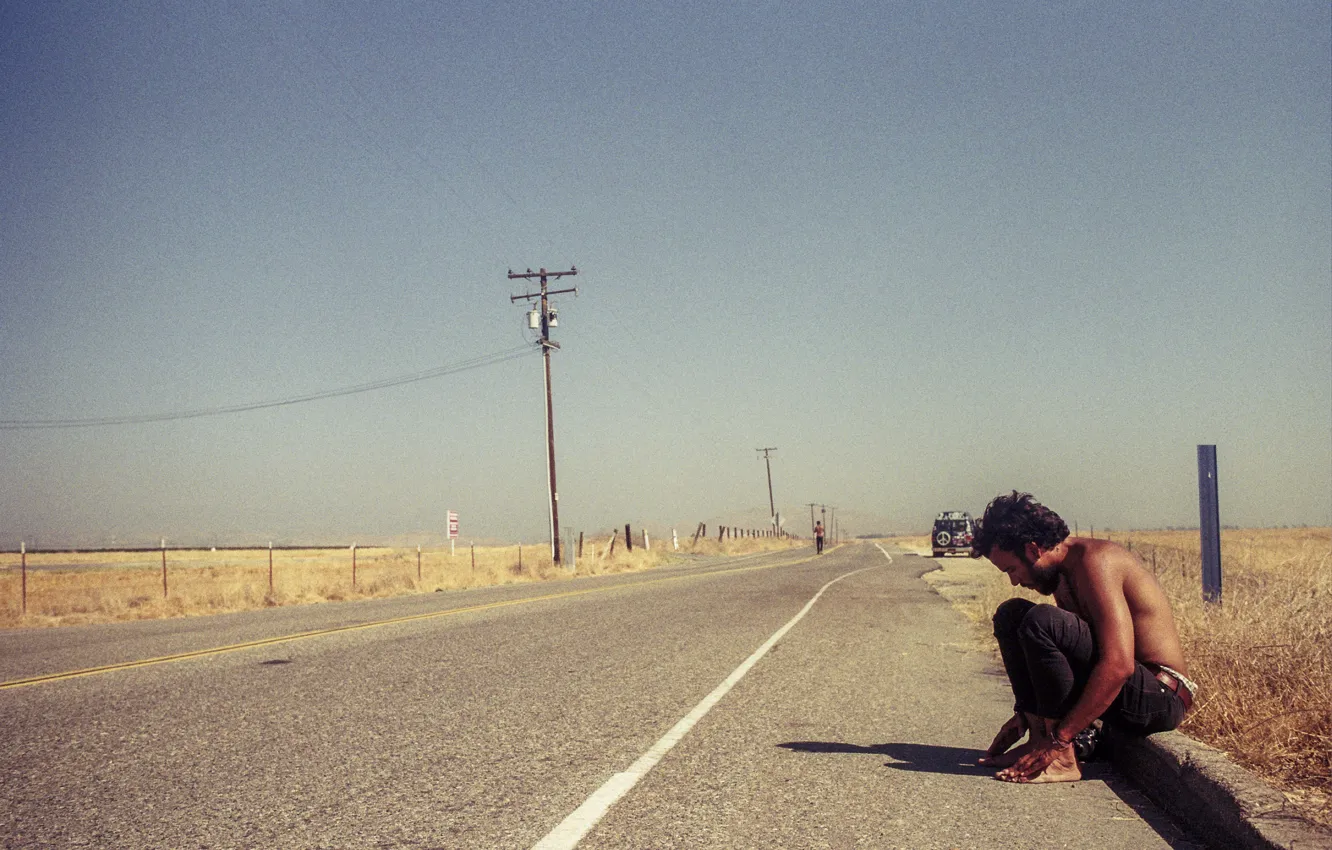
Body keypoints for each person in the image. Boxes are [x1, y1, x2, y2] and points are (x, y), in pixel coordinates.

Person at [971, 491, 1195, 784]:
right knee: (1011, 614)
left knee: (1043, 621)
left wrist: (1061, 740)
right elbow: (1064, 659)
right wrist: (1027, 715)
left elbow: (1119, 665)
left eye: (1012, 569)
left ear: (1033, 549)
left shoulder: (1096, 562)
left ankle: (1062, 759)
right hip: (1124, 691)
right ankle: (1037, 739)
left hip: (1161, 697)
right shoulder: (1060, 573)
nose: (1014, 580)